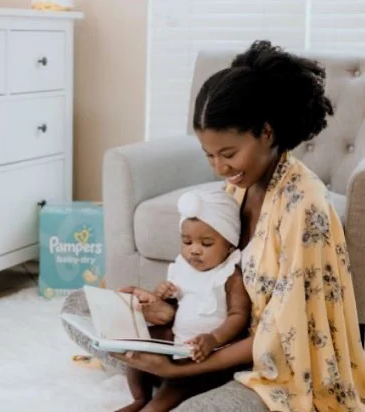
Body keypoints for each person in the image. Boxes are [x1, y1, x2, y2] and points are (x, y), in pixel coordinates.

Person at [111, 40, 365, 411]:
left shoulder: (304, 207)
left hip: (278, 363)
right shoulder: (237, 187)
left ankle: (182, 382)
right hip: (214, 339)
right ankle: (172, 373)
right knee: (88, 312)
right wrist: (164, 305)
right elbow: (206, 276)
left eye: (228, 154)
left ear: (266, 132)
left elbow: (283, 334)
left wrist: (182, 370)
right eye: (209, 155)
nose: (219, 168)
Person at [118, 189, 251, 412]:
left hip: (204, 357)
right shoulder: (183, 267)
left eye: (206, 244)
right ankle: (140, 398)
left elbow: (239, 315)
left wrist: (213, 339)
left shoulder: (229, 275)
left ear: (229, 245)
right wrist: (162, 293)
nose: (195, 251)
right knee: (137, 345)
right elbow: (175, 305)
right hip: (177, 341)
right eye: (187, 242)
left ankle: (152, 406)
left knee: (174, 387)